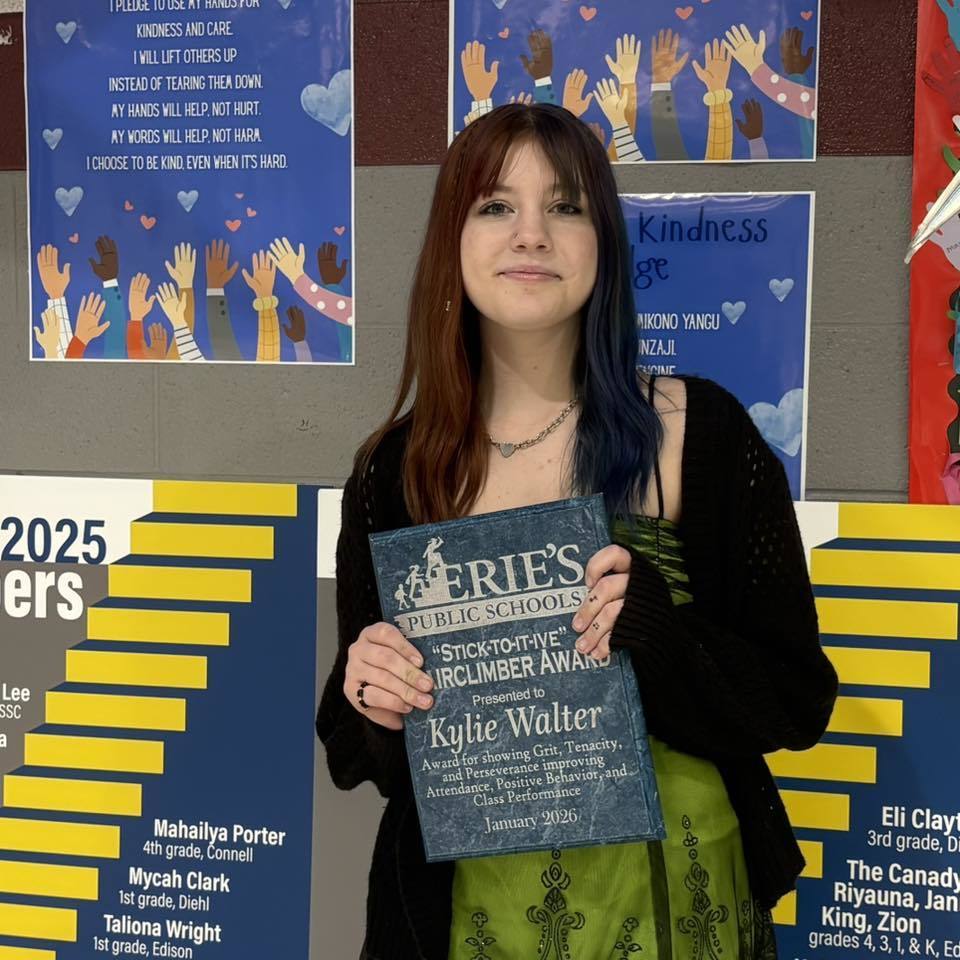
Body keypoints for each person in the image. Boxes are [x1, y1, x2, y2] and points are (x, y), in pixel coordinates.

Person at [316, 103, 838, 960]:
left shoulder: (701, 433)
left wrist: (661, 637)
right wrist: (371, 697)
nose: (531, 233)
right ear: (451, 241)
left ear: (605, 244)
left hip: (682, 910)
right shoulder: (394, 472)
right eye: (495, 206)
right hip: (464, 919)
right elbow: (353, 750)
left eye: (565, 206)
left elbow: (795, 698)